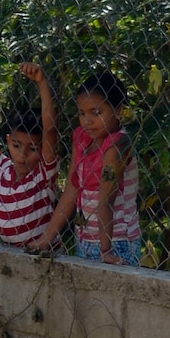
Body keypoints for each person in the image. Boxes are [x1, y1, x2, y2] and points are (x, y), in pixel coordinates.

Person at [31, 72, 141, 265]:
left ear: (118, 110)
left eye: (96, 113)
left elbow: (106, 198)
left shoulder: (118, 145)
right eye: (82, 113)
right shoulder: (82, 138)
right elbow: (73, 188)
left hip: (117, 243)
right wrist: (46, 239)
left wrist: (105, 250)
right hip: (85, 239)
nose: (87, 120)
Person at [0, 58, 58, 249]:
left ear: (42, 149)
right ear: (8, 141)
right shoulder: (3, 169)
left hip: (42, 258)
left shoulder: (43, 174)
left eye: (33, 149)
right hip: (9, 255)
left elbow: (50, 130)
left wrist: (42, 83)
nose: (23, 154)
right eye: (16, 146)